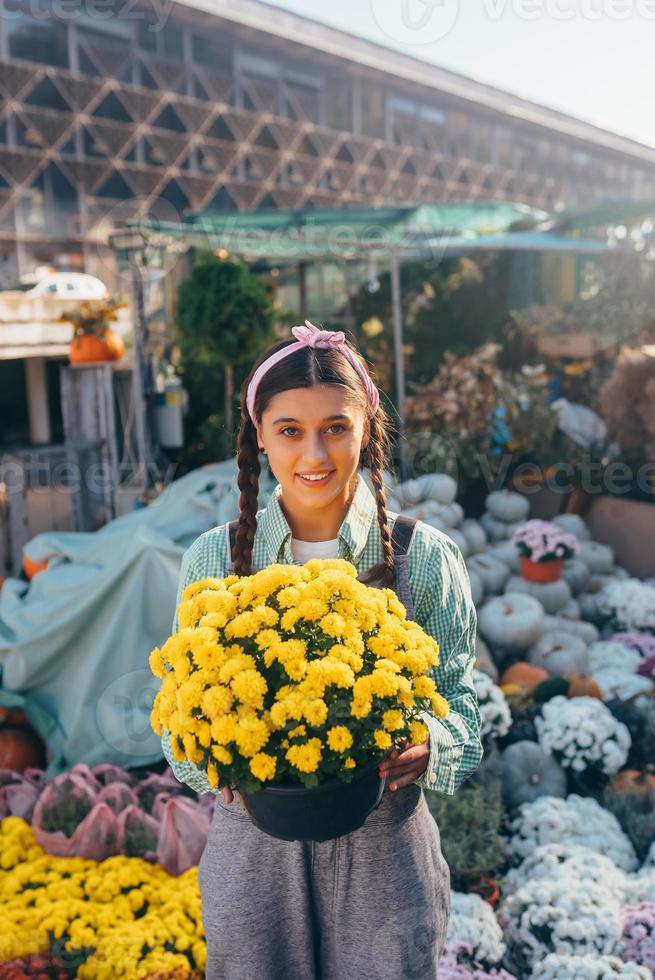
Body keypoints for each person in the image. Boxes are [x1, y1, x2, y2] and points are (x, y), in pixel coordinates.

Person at [161, 321, 483, 980]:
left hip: (385, 856)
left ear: (367, 428)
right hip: (253, 856)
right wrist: (212, 760)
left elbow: (464, 714)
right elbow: (177, 709)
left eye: (335, 427)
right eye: (289, 430)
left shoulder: (422, 557)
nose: (315, 453)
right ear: (258, 435)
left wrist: (429, 741)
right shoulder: (215, 557)